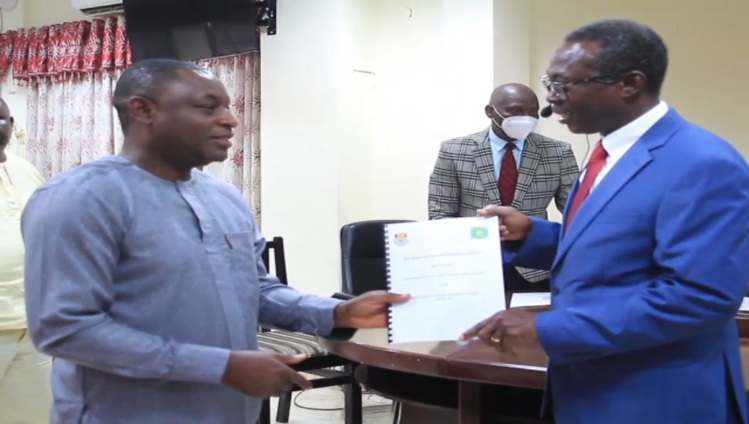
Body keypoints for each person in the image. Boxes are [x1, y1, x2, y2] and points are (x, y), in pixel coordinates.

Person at [21, 59, 409, 424]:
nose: (230, 120)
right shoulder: (80, 199)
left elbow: (256, 289)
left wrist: (337, 313)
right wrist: (221, 366)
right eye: (208, 108)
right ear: (143, 110)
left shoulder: (224, 198)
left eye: (227, 107)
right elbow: (66, 329)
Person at [462, 19, 749, 424]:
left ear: (629, 84)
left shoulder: (703, 163)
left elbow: (698, 297)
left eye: (564, 85)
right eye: (549, 83)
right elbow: (616, 245)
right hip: (590, 387)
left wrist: (550, 327)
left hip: (657, 399)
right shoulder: (607, 153)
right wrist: (531, 234)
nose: (549, 101)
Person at [428, 83, 579, 293]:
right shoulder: (454, 150)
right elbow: (440, 215)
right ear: (490, 111)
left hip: (535, 268)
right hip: (473, 265)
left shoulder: (558, 152)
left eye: (533, 112)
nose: (526, 118)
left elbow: (578, 213)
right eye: (516, 110)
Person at [0, 98, 51, 424]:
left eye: (0, 119)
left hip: (31, 325)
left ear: (12, 125)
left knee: (33, 416)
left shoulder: (25, 170)